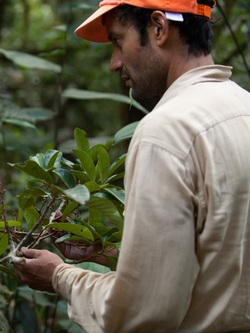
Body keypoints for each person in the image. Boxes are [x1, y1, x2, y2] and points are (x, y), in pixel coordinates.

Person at [14, 0, 250, 332]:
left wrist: (61, 276)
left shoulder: (166, 131)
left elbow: (145, 312)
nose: (114, 63)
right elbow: (218, 260)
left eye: (117, 40)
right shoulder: (243, 106)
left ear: (158, 27)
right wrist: (105, 252)